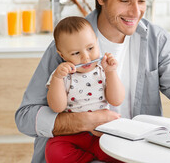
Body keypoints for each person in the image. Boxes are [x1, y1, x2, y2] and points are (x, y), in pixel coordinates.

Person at [16, 0, 170, 162]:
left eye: (142, 1)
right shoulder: (69, 45)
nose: (135, 12)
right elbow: (25, 117)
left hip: (132, 154)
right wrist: (87, 121)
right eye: (125, 0)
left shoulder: (157, 40)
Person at [45, 16, 124, 163]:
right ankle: (89, 158)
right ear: (62, 55)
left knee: (123, 150)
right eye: (76, 53)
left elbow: (116, 100)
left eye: (90, 48)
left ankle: (94, 156)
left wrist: (111, 72)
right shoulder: (62, 75)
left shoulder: (103, 69)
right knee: (53, 151)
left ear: (97, 42)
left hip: (102, 132)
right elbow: (57, 107)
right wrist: (57, 79)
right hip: (71, 135)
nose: (86, 58)